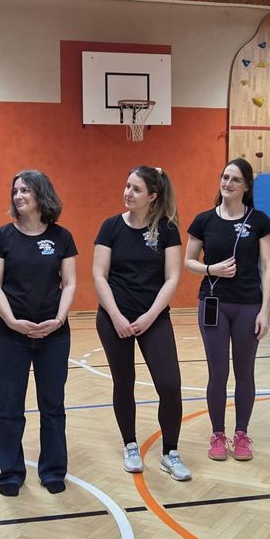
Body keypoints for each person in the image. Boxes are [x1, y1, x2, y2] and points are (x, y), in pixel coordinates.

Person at [93, 166, 188, 480]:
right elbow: (98, 275)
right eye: (127, 185)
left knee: (170, 386)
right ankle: (130, 444)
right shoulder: (110, 227)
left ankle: (170, 453)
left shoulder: (167, 229)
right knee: (124, 382)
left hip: (154, 318)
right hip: (114, 318)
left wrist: (149, 316)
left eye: (135, 189)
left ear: (153, 196)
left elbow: (173, 277)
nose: (127, 193)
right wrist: (117, 316)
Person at [0, 170, 77, 497]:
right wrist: (11, 321)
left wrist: (59, 318)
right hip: (10, 335)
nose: (18, 196)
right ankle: (10, 472)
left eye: (25, 190)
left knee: (53, 405)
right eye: (15, 191)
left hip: (54, 335)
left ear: (41, 195)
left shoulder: (62, 237)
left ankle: (53, 469)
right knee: (10, 406)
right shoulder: (2, 237)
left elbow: (70, 283)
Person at [185, 158, 270, 462]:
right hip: (214, 305)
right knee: (218, 371)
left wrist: (265, 310)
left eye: (235, 179)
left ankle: (241, 433)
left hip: (249, 305)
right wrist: (212, 269)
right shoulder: (204, 220)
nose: (228, 183)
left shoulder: (259, 220)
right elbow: (189, 261)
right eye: (225, 177)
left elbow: (267, 265)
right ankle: (218, 434)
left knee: (244, 371)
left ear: (246, 186)